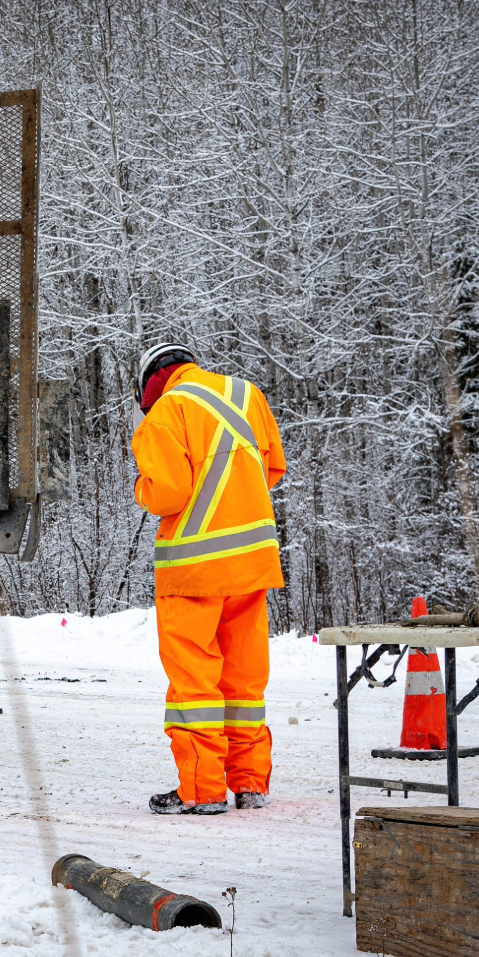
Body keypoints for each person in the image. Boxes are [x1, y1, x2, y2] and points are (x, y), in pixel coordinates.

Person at [131, 343, 286, 815]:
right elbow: (272, 468)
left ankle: (201, 791)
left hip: (193, 569)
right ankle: (251, 784)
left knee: (195, 683)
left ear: (149, 385)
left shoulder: (165, 414)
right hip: (251, 563)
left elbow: (167, 494)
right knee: (244, 680)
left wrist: (141, 487)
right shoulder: (247, 395)